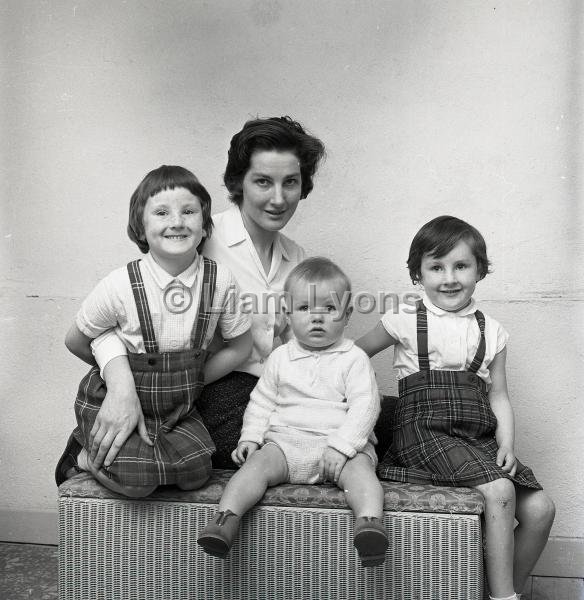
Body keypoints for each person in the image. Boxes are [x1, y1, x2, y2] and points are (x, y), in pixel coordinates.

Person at [77, 116, 326, 473]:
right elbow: (120, 319)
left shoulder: (298, 259)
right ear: (238, 182)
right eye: (262, 182)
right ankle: (82, 452)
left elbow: (295, 350)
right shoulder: (198, 238)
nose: (278, 198)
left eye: (290, 182)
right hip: (206, 398)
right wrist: (123, 388)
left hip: (270, 395)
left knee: (378, 417)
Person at [356, 216, 555, 599]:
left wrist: (507, 445)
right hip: (423, 432)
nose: (449, 278)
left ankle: (492, 591)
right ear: (418, 274)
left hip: (474, 436)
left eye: (461, 265)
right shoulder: (403, 318)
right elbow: (353, 356)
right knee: (498, 491)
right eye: (436, 267)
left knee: (541, 509)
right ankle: (504, 598)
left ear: (480, 269)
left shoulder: (491, 331)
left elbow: (498, 396)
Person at [56, 165, 252, 497]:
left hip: (176, 408)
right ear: (141, 229)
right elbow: (76, 340)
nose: (177, 221)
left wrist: (195, 378)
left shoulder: (220, 282)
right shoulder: (120, 285)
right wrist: (122, 385)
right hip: (117, 398)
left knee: (196, 472)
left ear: (205, 227)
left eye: (188, 211)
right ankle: (84, 456)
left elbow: (240, 347)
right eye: (162, 212)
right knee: (137, 484)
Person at [197, 258, 389, 567]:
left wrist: (342, 447)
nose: (316, 318)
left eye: (329, 309)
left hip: (339, 449)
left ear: (347, 315)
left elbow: (366, 406)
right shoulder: (279, 357)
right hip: (286, 446)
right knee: (254, 468)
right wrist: (251, 438)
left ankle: (369, 526)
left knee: (362, 474)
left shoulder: (353, 358)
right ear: (287, 313)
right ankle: (226, 518)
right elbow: (261, 402)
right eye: (304, 309)